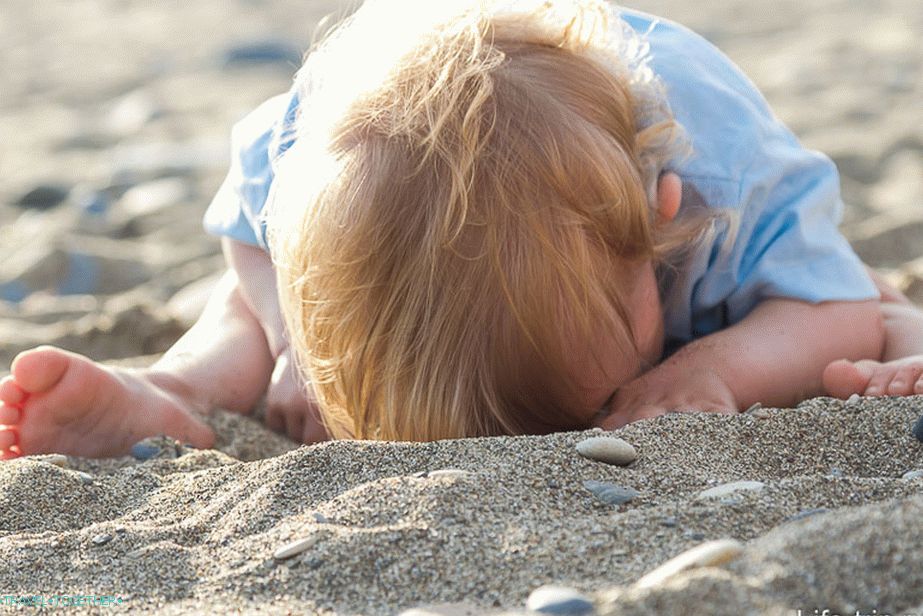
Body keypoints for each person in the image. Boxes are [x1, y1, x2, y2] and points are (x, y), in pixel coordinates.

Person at [1, 0, 921, 459]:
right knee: (245, 313)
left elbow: (832, 304)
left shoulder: (726, 180)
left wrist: (703, 369)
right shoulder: (310, 146)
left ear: (658, 222)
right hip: (360, 203)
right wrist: (293, 334)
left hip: (683, 204)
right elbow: (250, 232)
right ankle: (176, 392)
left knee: (822, 311)